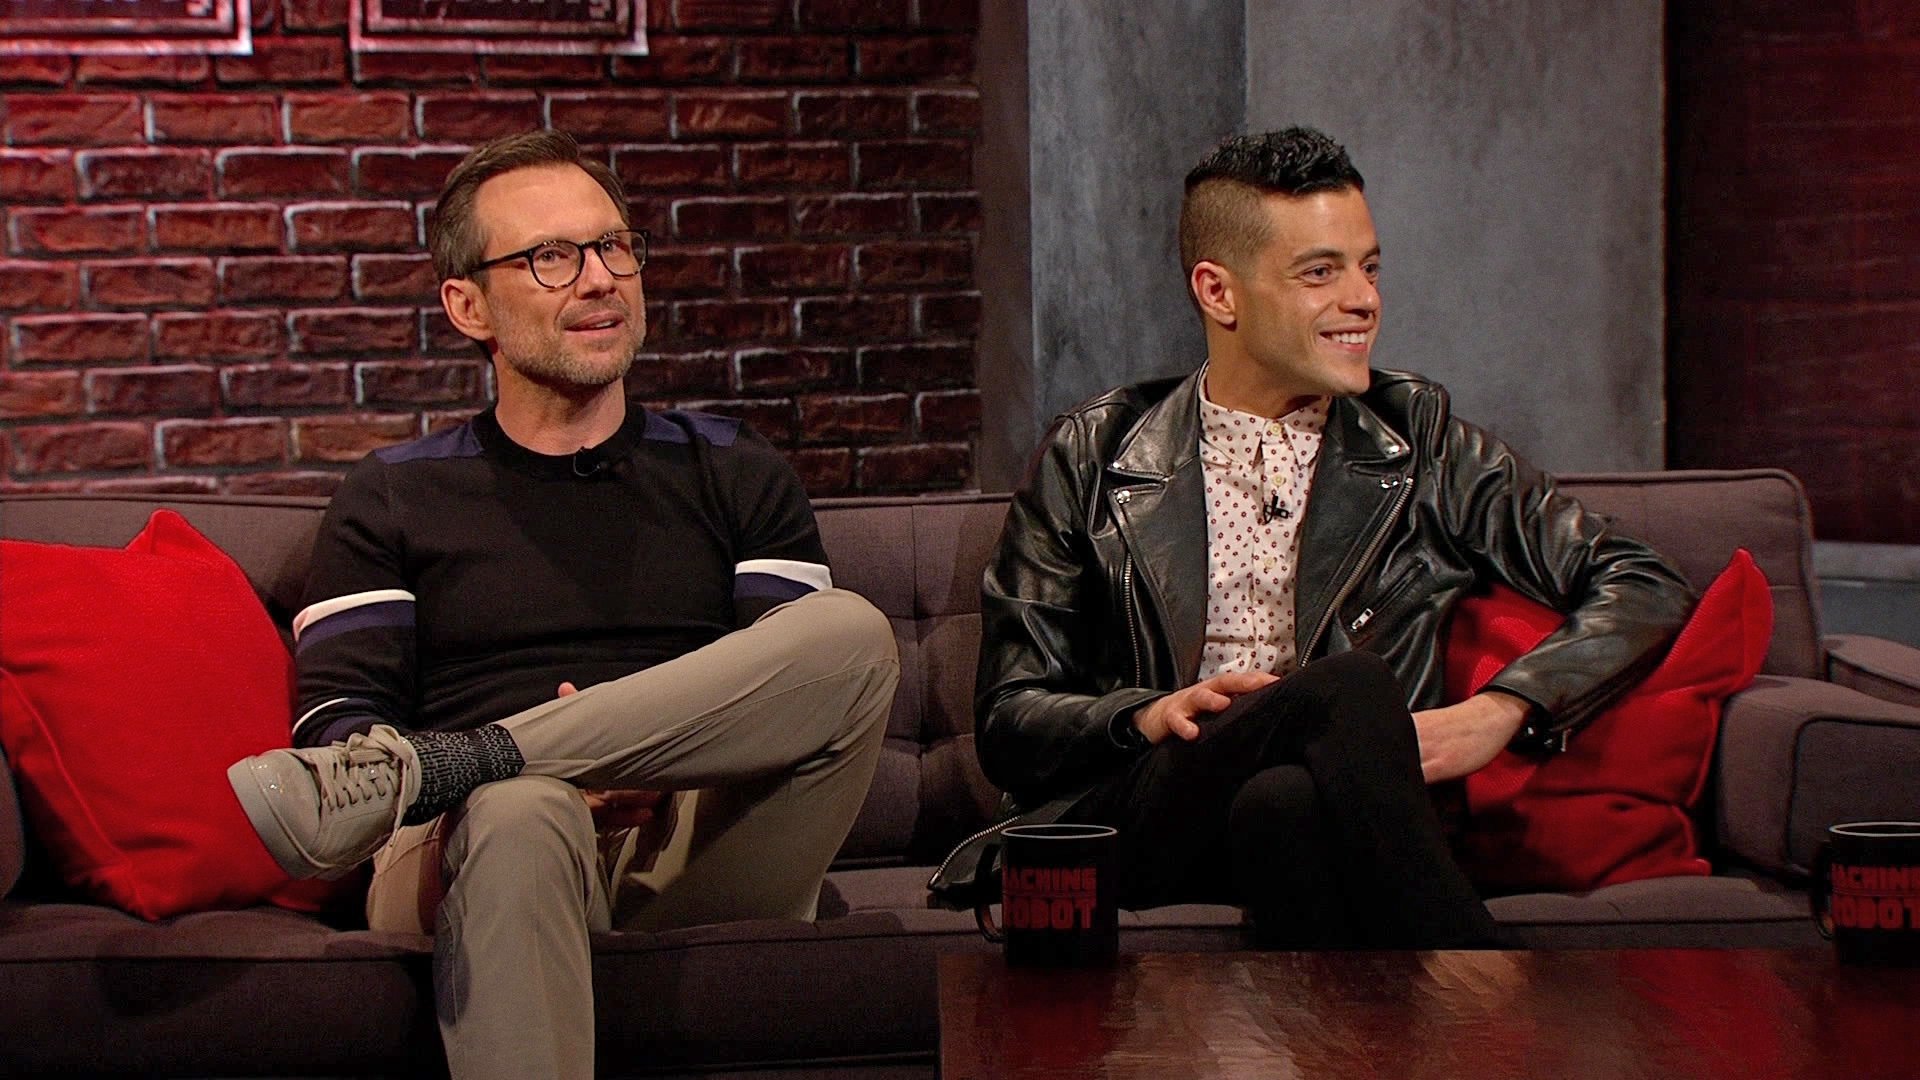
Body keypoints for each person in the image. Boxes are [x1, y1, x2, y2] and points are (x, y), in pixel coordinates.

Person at [225, 130, 898, 1079]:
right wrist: (524, 781)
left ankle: (466, 759)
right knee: (521, 810)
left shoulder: (737, 471)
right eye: (551, 256)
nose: (599, 279)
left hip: (688, 840)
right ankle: (478, 773)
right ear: (468, 306)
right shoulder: (391, 495)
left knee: (850, 634)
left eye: (613, 246)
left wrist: (638, 762)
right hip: (461, 839)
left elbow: (791, 696)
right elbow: (340, 735)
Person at [971, 127, 1695, 949]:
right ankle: (1482, 980)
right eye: (1321, 272)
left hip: (1323, 815)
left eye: (1369, 267)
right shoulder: (1095, 453)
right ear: (1219, 293)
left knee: (1286, 803)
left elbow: (1641, 579)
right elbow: (1009, 719)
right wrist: (1148, 713)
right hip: (1147, 806)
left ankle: (1324, 1025)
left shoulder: (1422, 443)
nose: (1364, 300)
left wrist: (1504, 709)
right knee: (1346, 688)